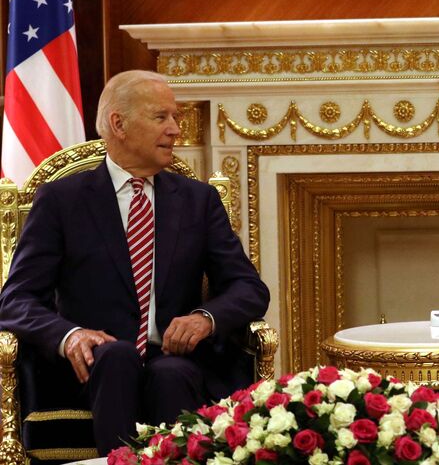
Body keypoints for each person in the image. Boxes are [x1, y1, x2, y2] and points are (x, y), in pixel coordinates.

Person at [0, 70, 270, 455]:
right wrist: (70, 336)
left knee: (169, 373)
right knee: (117, 356)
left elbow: (249, 289)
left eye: (174, 117)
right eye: (161, 117)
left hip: (177, 360)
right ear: (118, 123)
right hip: (90, 368)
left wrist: (203, 319)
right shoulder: (62, 201)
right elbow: (16, 300)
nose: (176, 129)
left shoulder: (198, 201)